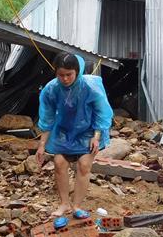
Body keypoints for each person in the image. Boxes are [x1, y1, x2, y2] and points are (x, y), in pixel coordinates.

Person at [35, 52, 113, 219]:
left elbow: (102, 112)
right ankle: (64, 203)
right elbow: (47, 117)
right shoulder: (51, 89)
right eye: (60, 75)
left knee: (84, 165)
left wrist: (96, 136)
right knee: (59, 162)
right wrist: (42, 145)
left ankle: (76, 205)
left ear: (77, 71)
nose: (65, 79)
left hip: (89, 130)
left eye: (69, 74)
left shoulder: (90, 86)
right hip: (64, 130)